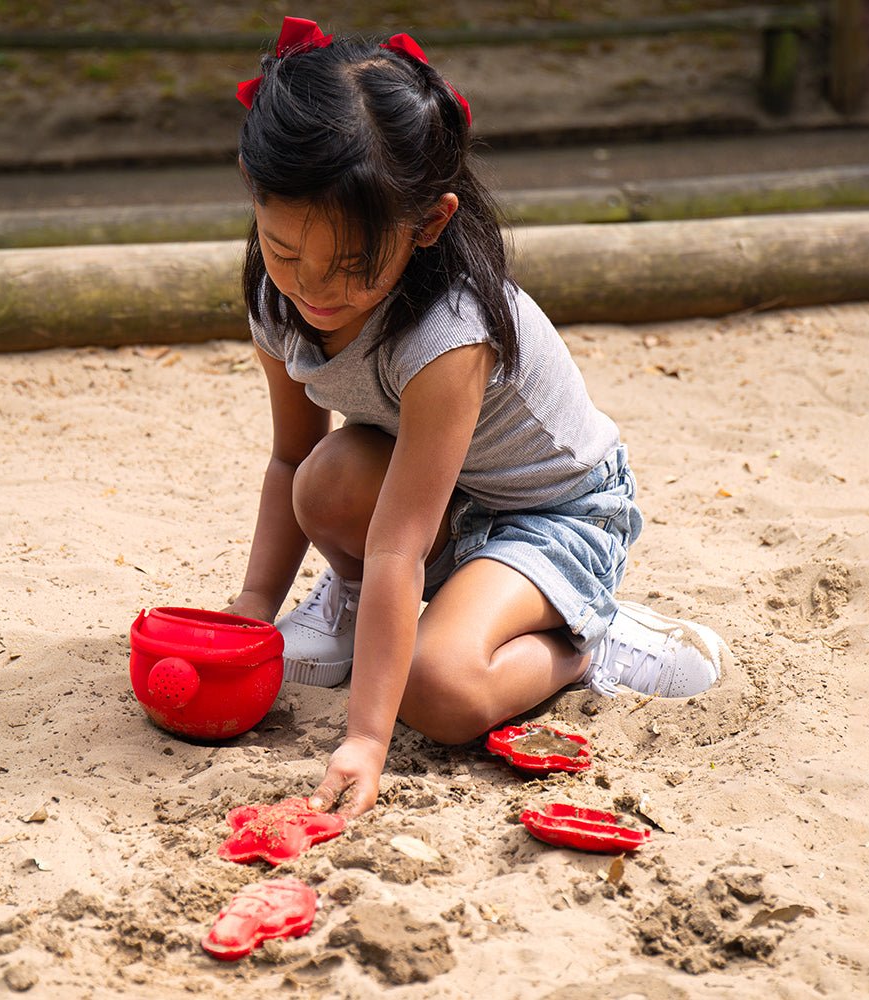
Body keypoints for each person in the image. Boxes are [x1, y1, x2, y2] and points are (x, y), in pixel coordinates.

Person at [223, 16, 731, 818]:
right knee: (321, 484)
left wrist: (365, 738)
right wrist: (250, 612)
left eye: (351, 266)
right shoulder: (275, 301)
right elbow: (290, 459)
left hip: (558, 513)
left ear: (427, 224)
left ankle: (585, 640)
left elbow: (400, 543)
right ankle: (352, 611)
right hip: (445, 499)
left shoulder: (449, 336)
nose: (312, 289)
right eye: (285, 253)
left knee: (437, 690)